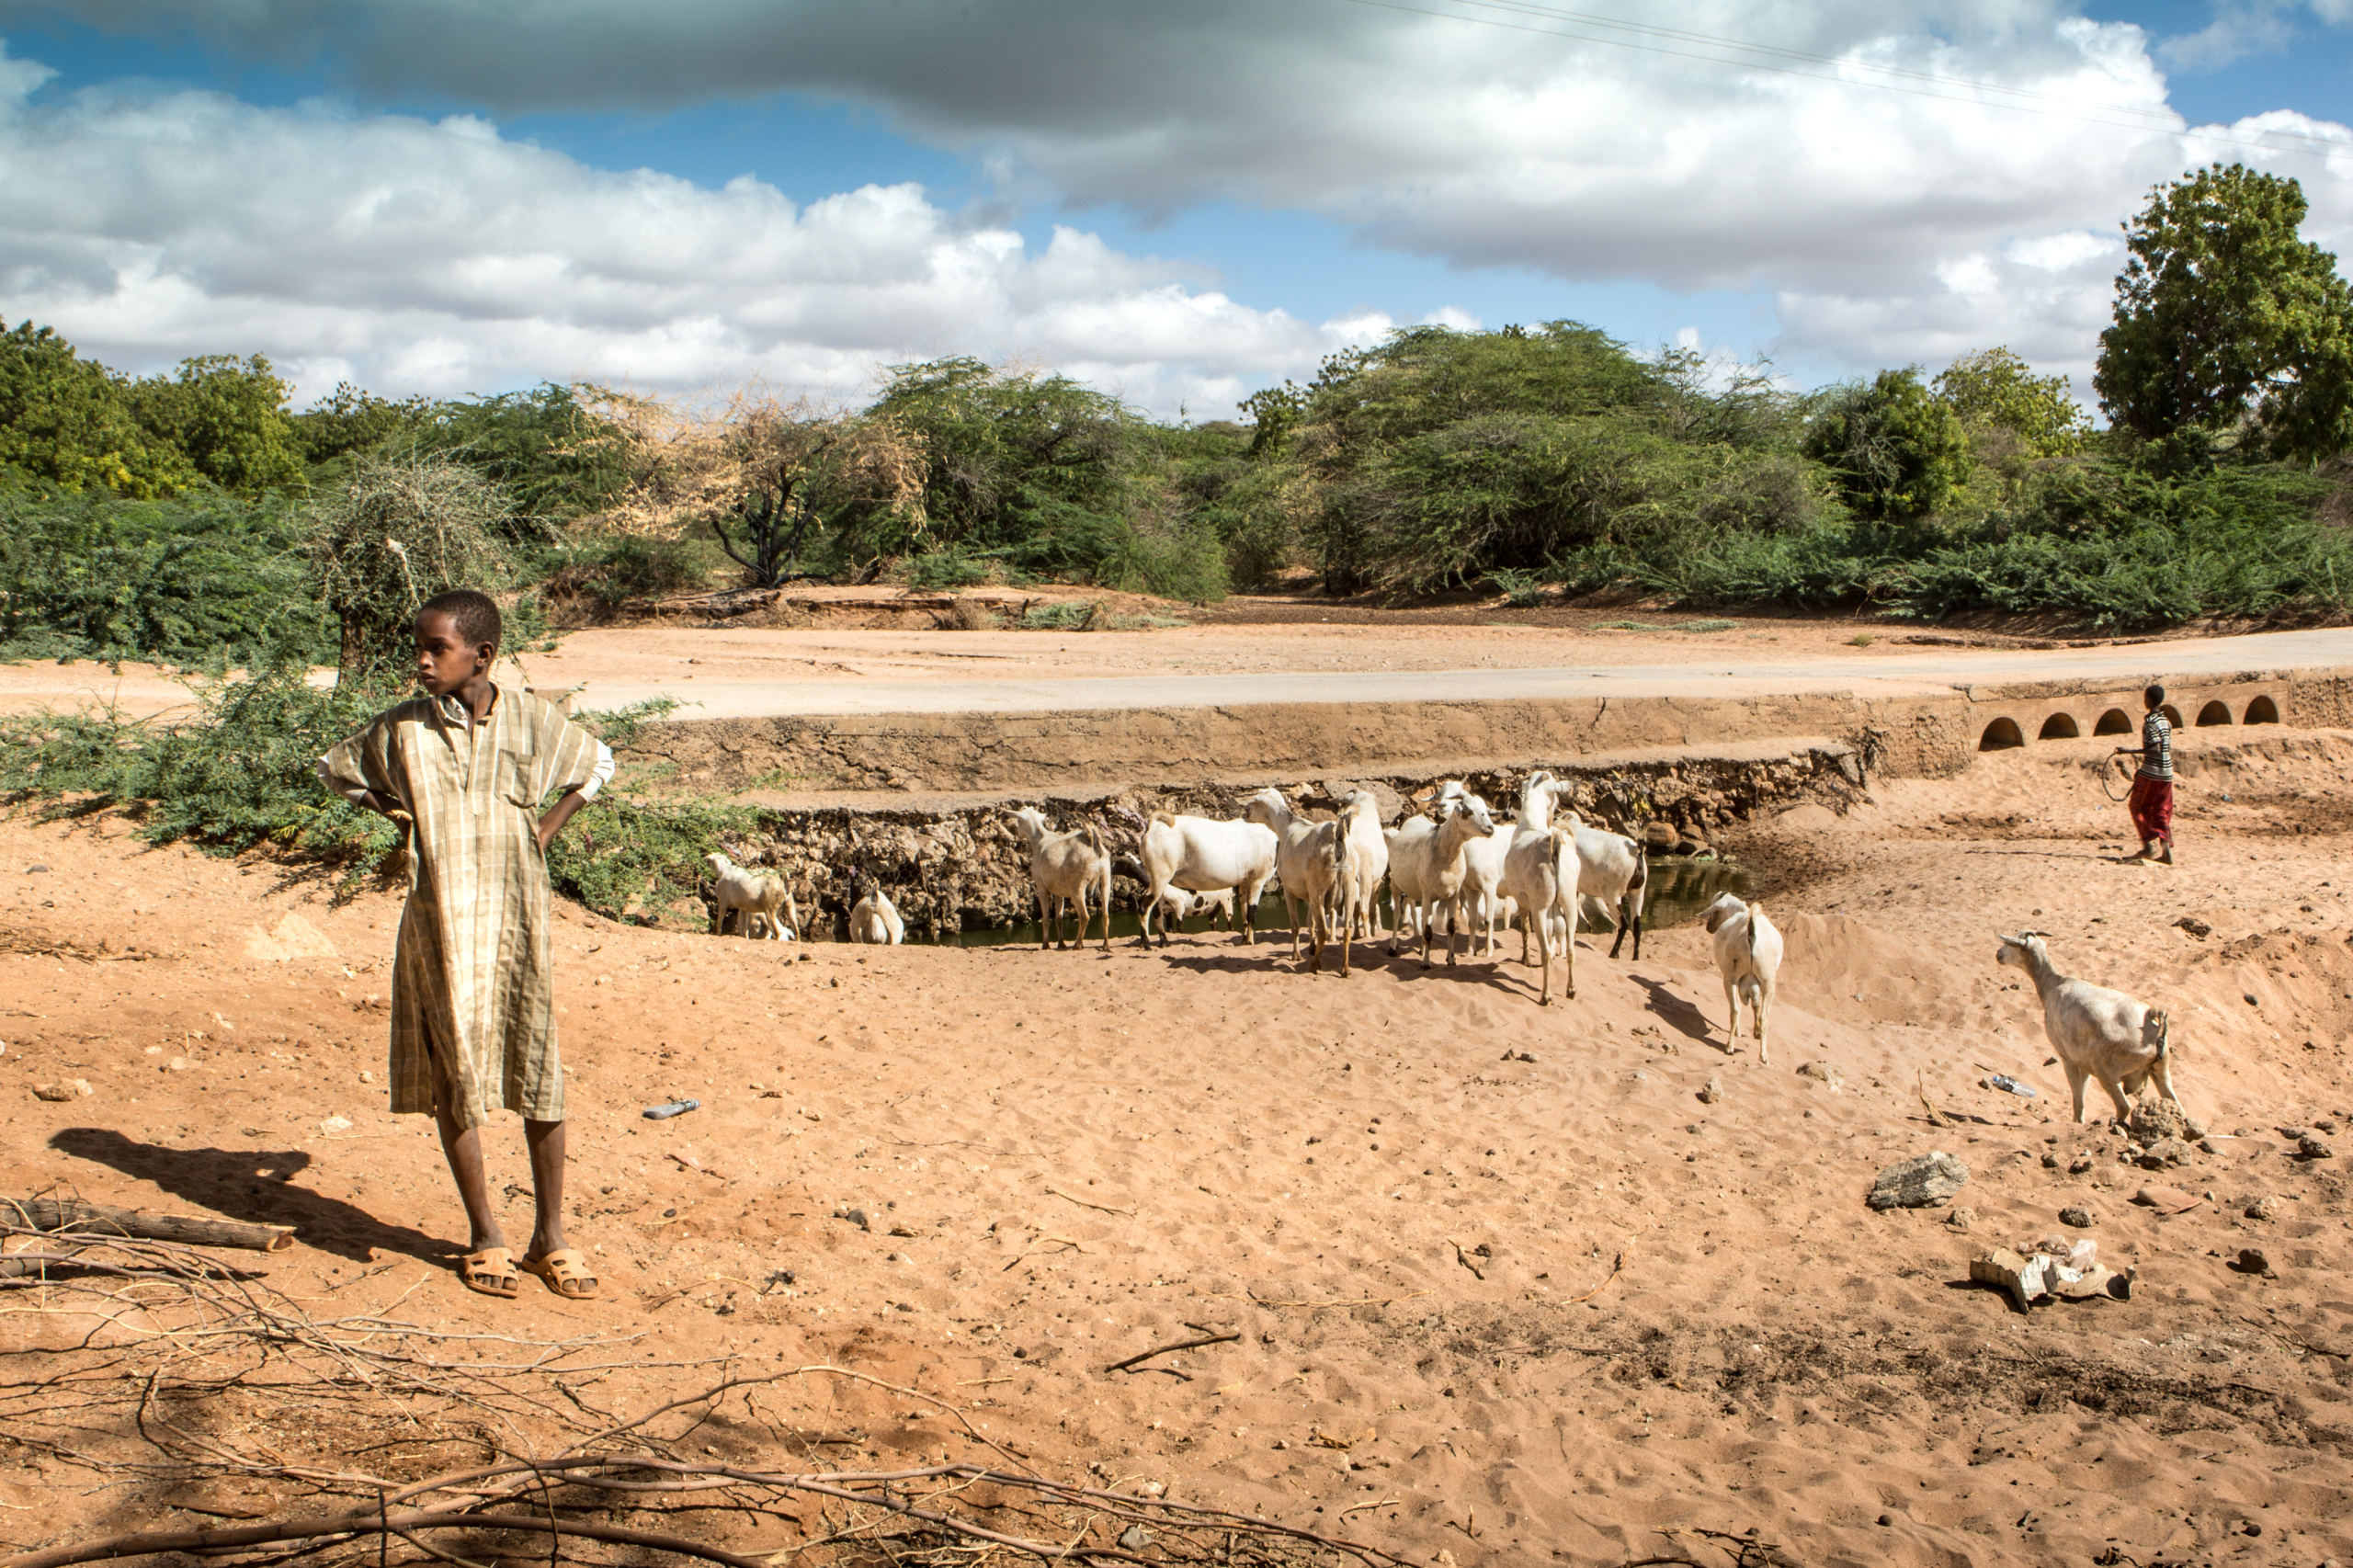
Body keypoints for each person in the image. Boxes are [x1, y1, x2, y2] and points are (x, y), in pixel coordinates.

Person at [318, 590, 614, 1298]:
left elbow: (597, 766)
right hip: (438, 924)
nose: (421, 662)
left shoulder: (537, 724)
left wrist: (542, 832)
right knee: (456, 1069)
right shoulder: (401, 731)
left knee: (538, 1067)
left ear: (480, 656)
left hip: (516, 922)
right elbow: (333, 770)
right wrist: (393, 812)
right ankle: (486, 1234)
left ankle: (550, 1238)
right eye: (415, 648)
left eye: (435, 650)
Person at [2112, 683, 2175, 866]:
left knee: (2136, 807)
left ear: (2148, 699)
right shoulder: (2166, 721)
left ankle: (2148, 847)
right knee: (2160, 811)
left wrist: (2128, 751)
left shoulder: (2150, 724)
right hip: (2166, 773)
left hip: (2153, 773)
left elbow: (2154, 749)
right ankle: (2165, 853)